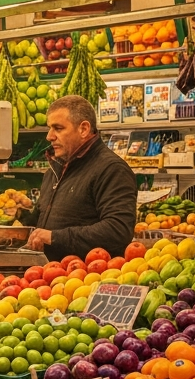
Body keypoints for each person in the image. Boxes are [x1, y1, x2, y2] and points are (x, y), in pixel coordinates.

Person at [14, 96, 137, 260]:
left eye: (58, 128)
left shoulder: (111, 169)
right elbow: (43, 223)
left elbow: (118, 230)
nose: (49, 136)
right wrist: (20, 214)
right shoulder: (55, 169)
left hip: (88, 273)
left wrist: (55, 238)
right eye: (50, 128)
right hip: (48, 272)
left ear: (84, 129)